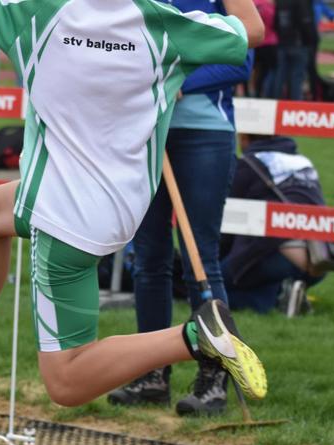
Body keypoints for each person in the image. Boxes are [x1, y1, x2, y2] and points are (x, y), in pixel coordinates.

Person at [0, 0, 268, 414]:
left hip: (63, 215)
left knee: (66, 383)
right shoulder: (166, 25)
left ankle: (194, 337)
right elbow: (253, 29)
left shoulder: (37, 13)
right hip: (118, 207)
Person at [106, 5, 255, 416]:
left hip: (206, 133)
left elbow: (241, 58)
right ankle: (152, 373)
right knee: (148, 258)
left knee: (200, 258)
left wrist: (180, 80)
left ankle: (214, 376)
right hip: (146, 131)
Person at [221, 133, 326, 315]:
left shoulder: (249, 164)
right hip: (319, 257)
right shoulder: (303, 161)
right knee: (256, 279)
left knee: (213, 289)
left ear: (245, 138)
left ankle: (278, 297)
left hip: (275, 254)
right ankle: (289, 291)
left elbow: (228, 221)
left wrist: (217, 262)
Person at [274, 0, 317, 99]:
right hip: (298, 44)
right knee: (297, 77)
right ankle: (294, 102)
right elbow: (306, 23)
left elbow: (276, 22)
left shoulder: (280, 2)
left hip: (282, 42)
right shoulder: (301, 3)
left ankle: (277, 101)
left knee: (280, 76)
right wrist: (310, 41)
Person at [253, 0, 280, 97]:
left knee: (255, 70)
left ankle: (254, 92)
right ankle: (267, 93)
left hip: (255, 43)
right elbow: (275, 23)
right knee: (270, 71)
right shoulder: (270, 5)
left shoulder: (253, 4)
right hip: (269, 43)